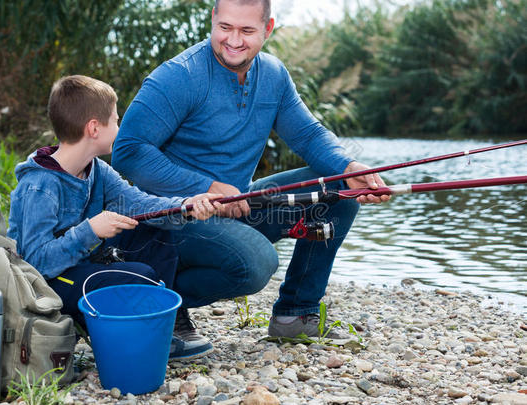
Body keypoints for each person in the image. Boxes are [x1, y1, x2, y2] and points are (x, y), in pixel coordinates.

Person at [112, 0, 390, 353]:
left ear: (268, 28)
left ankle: (296, 316)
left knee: (336, 188)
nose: (234, 41)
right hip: (170, 218)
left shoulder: (274, 75)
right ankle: (161, 300)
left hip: (235, 208)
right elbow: (129, 151)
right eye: (225, 27)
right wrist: (206, 188)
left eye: (246, 31)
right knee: (257, 262)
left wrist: (349, 168)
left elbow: (307, 135)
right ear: (212, 19)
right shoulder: (178, 76)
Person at [8, 75, 222, 360]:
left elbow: (142, 205)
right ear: (94, 128)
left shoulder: (97, 170)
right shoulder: (41, 185)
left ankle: (158, 330)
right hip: (47, 285)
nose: (119, 128)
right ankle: (136, 335)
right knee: (140, 277)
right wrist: (92, 230)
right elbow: (36, 263)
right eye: (116, 120)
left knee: (154, 231)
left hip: (81, 267)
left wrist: (186, 205)